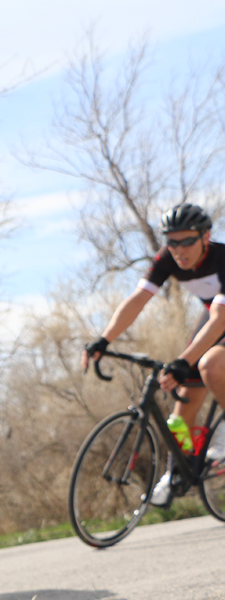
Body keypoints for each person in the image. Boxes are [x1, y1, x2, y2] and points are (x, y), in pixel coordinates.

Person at [83, 202, 225, 505]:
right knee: (180, 412)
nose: (179, 249)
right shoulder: (168, 260)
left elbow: (220, 320)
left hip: (221, 318)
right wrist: (104, 339)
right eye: (172, 242)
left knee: (210, 365)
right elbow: (138, 300)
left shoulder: (223, 257)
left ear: (206, 236)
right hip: (215, 318)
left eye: (187, 240)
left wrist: (184, 360)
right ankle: (177, 469)